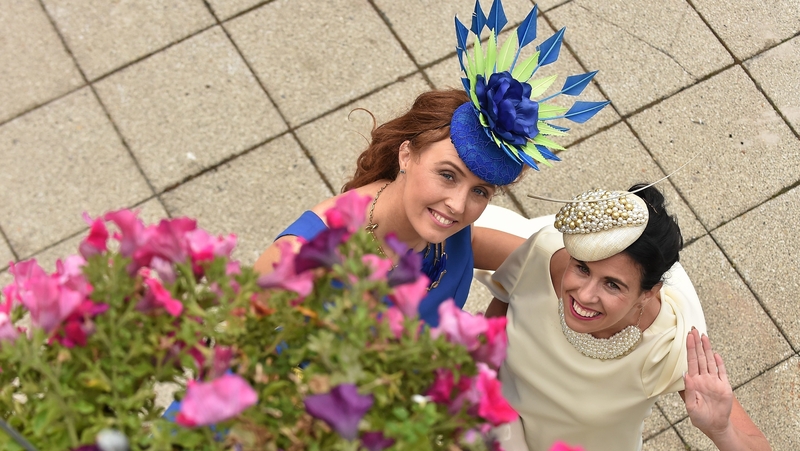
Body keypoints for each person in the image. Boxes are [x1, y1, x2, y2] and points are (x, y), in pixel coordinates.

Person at [254, 0, 609, 326]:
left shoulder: (442, 228)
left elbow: (471, 246)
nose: (458, 206)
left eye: (481, 191)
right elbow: (232, 347)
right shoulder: (301, 254)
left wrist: (575, 271)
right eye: (447, 175)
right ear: (406, 154)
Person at [483, 185, 770, 451]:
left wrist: (721, 431)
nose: (584, 295)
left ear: (649, 292)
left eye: (612, 284)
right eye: (582, 268)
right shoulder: (542, 254)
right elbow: (503, 302)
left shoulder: (669, 344)